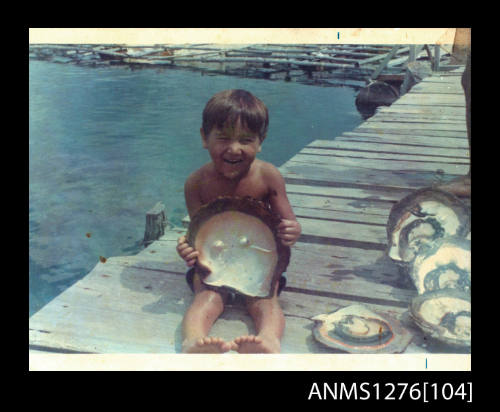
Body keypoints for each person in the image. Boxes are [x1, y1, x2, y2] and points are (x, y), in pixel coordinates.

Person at [176, 89, 302, 353]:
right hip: (215, 262)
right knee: (207, 297)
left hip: (259, 260)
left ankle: (269, 340)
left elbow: (288, 224)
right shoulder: (195, 183)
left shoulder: (268, 176)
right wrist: (188, 250)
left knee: (265, 301)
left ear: (260, 142)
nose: (234, 149)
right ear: (204, 138)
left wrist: (292, 230)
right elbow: (197, 234)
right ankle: (193, 341)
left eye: (246, 140)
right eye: (223, 138)